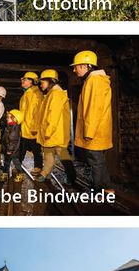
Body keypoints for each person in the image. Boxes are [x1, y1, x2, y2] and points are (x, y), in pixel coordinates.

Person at [72, 50, 114, 189]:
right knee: (98, 160)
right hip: (97, 128)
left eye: (76, 66)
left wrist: (89, 132)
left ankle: (99, 190)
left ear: (85, 66)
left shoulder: (94, 81)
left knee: (95, 161)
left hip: (94, 130)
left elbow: (94, 108)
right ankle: (107, 188)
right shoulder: (93, 80)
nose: (74, 69)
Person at [37, 68, 73, 184]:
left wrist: (48, 132)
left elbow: (54, 114)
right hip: (50, 132)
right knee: (48, 155)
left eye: (42, 81)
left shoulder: (56, 94)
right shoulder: (50, 94)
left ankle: (72, 177)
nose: (40, 84)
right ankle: (44, 173)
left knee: (63, 156)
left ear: (50, 81)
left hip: (56, 133)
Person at [16, 71, 43, 178]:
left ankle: (38, 166)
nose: (22, 81)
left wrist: (36, 127)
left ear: (33, 82)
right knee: (22, 148)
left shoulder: (36, 94)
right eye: (23, 79)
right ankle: (18, 165)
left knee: (36, 149)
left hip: (32, 128)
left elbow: (37, 112)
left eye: (25, 79)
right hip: (25, 127)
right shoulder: (26, 94)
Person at [0, 105, 25, 179]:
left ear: (14, 119)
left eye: (8, 117)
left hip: (12, 151)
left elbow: (13, 140)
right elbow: (6, 137)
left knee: (16, 162)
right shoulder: (9, 126)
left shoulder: (14, 128)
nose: (7, 118)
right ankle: (5, 173)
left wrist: (10, 150)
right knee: (6, 162)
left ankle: (20, 174)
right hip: (8, 149)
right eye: (7, 117)